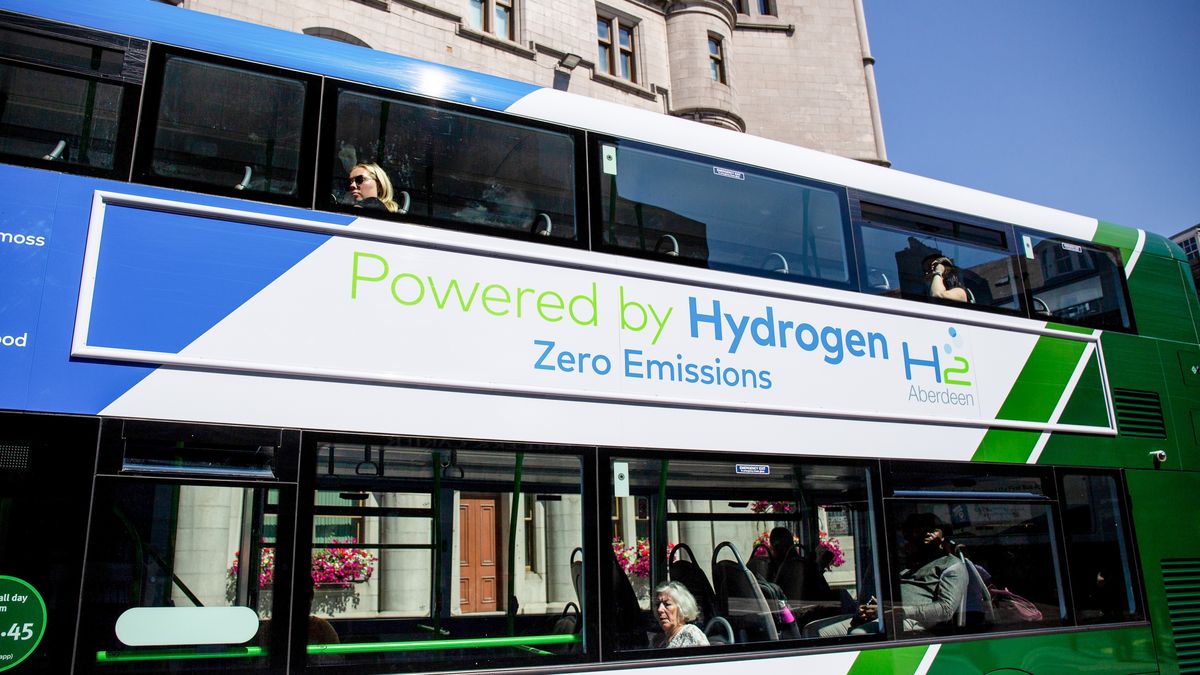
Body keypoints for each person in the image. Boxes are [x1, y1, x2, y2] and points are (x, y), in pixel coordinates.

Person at [813, 513, 967, 637]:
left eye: (932, 529)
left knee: (859, 634)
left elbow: (946, 609)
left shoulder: (952, 565)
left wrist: (896, 611)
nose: (926, 533)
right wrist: (869, 609)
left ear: (942, 535)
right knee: (816, 631)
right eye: (920, 529)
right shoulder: (908, 563)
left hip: (914, 621)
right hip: (885, 614)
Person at [650, 581, 710, 648]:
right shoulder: (657, 640)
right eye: (657, 604)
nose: (659, 609)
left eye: (667, 604)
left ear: (682, 608)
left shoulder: (691, 634)